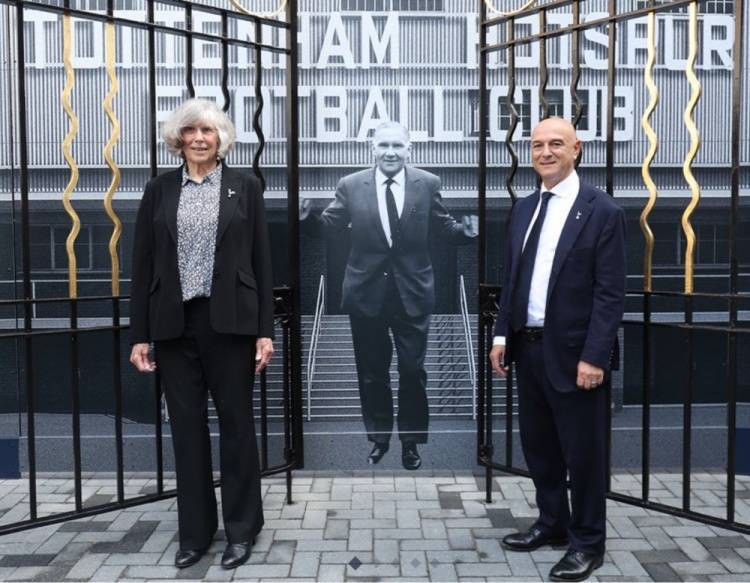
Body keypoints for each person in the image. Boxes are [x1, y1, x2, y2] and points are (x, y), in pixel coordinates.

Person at [129, 98, 274, 570]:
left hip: (230, 325)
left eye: (207, 131)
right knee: (187, 432)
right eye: (189, 131)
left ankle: (241, 529)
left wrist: (264, 331)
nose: (198, 139)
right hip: (174, 326)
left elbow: (261, 262)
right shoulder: (159, 189)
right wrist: (139, 335)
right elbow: (143, 264)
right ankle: (195, 533)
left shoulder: (244, 186)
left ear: (220, 138)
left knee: (237, 428)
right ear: (177, 139)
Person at [489, 118, 626, 582]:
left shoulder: (602, 211)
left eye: (555, 144)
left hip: (575, 357)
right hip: (528, 350)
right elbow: (512, 278)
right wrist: (502, 336)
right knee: (541, 448)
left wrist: (595, 357)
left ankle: (587, 543)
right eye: (537, 145)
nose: (545, 152)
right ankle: (553, 524)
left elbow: (610, 294)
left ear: (576, 149)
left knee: (583, 455)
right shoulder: (524, 208)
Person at [301, 121, 477, 470]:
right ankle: (379, 439)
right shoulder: (351, 185)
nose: (391, 152)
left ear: (409, 149)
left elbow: (443, 227)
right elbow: (329, 227)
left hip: (412, 293)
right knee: (372, 373)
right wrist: (306, 219)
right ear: (373, 148)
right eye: (384, 145)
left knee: (412, 371)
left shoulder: (427, 183)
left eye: (398, 145)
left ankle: (411, 442)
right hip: (366, 294)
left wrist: (467, 232)